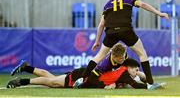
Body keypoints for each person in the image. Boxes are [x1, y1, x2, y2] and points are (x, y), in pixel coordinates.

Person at [76, 0, 169, 86]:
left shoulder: (107, 5)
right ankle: (150, 83)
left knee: (99, 56)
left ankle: (81, 80)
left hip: (111, 32)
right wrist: (159, 13)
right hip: (126, 30)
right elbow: (142, 5)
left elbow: (101, 24)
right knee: (142, 54)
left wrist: (97, 41)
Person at [7, 59, 162, 89]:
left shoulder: (124, 71)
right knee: (52, 82)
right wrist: (150, 86)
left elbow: (137, 76)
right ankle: (21, 81)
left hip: (84, 76)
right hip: (82, 77)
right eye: (135, 69)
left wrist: (142, 76)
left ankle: (26, 67)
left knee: (52, 79)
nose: (136, 72)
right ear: (129, 67)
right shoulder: (124, 72)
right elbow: (135, 83)